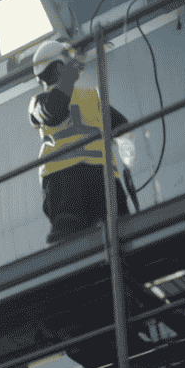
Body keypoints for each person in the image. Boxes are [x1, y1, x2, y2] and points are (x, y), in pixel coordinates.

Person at [28, 37, 137, 244]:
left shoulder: (88, 97)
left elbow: (122, 128)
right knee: (118, 232)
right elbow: (55, 111)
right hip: (73, 180)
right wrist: (127, 161)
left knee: (74, 238)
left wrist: (126, 165)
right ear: (60, 68)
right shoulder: (40, 102)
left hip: (79, 179)